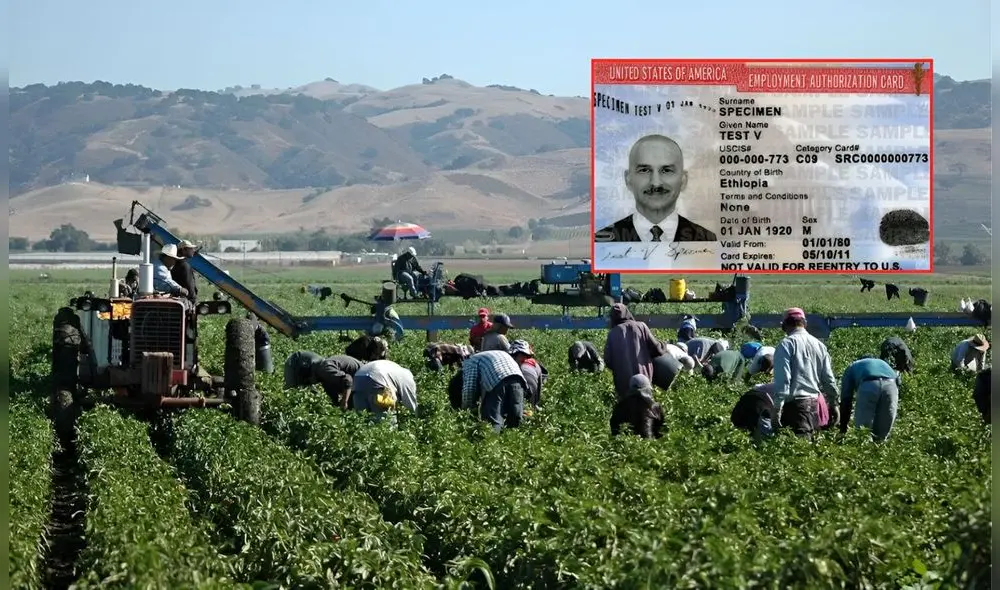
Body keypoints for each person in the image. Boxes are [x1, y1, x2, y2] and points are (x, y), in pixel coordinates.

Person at [594, 134, 717, 243]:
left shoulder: (708, 240)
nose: (656, 183)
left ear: (683, 180)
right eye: (644, 170)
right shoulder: (601, 242)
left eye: (666, 170)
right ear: (628, 179)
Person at [770, 308, 841, 439]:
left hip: (796, 408)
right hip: (815, 406)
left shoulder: (786, 344)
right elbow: (828, 379)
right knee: (811, 452)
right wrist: (834, 403)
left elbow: (784, 380)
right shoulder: (819, 345)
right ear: (805, 323)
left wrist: (777, 409)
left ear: (784, 325)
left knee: (797, 452)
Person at [603, 303, 666, 398]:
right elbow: (657, 349)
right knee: (645, 405)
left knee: (627, 409)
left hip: (623, 383)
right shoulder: (641, 326)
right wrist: (663, 345)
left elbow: (608, 360)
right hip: (644, 377)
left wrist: (620, 368)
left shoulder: (612, 333)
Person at [457, 350, 528, 432]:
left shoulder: (470, 362)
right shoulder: (492, 354)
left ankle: (493, 442)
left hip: (496, 380)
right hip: (517, 379)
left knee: (494, 420)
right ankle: (514, 441)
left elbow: (469, 389)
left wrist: (467, 412)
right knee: (515, 417)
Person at [838, 355, 901, 442]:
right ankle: (879, 449)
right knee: (882, 430)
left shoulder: (853, 366)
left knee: (862, 430)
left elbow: (846, 399)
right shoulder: (883, 363)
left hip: (868, 384)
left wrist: (843, 428)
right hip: (891, 385)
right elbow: (898, 382)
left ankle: (863, 449)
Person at [283, 351, 362, 409]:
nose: (311, 384)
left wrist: (344, 401)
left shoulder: (325, 370)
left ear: (311, 376)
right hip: (359, 381)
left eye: (308, 382)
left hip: (365, 378)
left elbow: (348, 380)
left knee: (360, 407)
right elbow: (334, 399)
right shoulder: (325, 380)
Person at [347, 359, 418, 420]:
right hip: (377, 379)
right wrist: (414, 418)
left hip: (358, 379)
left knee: (361, 419)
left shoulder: (397, 370)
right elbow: (410, 402)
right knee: (385, 421)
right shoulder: (407, 379)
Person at [610, 374, 665, 439]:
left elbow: (614, 428)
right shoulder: (655, 407)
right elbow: (662, 430)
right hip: (650, 445)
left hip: (626, 444)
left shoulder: (622, 405)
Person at [509, 339, 547, 410]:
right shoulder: (534, 364)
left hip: (527, 392)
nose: (524, 358)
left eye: (525, 355)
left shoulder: (523, 371)